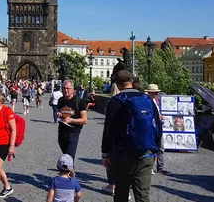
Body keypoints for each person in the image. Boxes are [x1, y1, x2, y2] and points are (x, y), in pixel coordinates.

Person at [101, 70, 162, 202]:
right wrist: (155, 149)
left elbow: (108, 131)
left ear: (117, 83)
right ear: (132, 81)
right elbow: (158, 126)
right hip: (146, 154)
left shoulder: (115, 101)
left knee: (121, 194)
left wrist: (105, 153)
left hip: (123, 155)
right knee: (143, 196)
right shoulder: (147, 99)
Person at [56, 80, 88, 160]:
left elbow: (84, 120)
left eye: (68, 88)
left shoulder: (79, 102)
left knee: (68, 157)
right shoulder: (60, 100)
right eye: (64, 88)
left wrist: (71, 120)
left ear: (73, 90)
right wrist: (58, 114)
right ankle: (71, 171)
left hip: (73, 132)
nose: (66, 90)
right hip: (62, 132)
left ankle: (68, 171)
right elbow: (59, 112)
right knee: (66, 155)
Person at [144, 84, 171, 176]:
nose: (157, 94)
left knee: (161, 147)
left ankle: (160, 167)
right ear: (150, 92)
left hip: (158, 127)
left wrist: (160, 117)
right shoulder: (146, 101)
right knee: (152, 148)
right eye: (155, 92)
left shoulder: (155, 101)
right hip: (151, 128)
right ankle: (150, 167)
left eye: (157, 92)